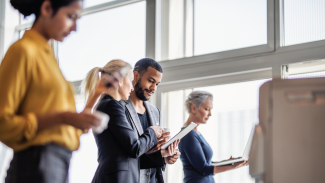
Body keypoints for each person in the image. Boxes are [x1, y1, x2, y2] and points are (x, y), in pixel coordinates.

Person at [0, 0, 118, 182]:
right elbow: (3, 124)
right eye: (71, 17)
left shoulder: (49, 60)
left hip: (56, 163)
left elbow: (65, 129)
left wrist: (96, 94)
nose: (75, 28)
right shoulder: (23, 51)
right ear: (47, 8)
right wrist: (62, 117)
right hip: (35, 164)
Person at [82, 60, 164, 183]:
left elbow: (128, 158)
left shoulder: (110, 105)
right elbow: (134, 148)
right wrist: (152, 132)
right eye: (130, 81)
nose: (132, 88)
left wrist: (163, 154)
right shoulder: (111, 106)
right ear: (120, 81)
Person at [122, 58, 181, 183]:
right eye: (150, 81)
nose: (153, 88)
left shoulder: (155, 111)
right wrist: (160, 155)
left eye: (157, 84)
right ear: (136, 76)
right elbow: (126, 155)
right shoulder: (119, 108)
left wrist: (165, 156)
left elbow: (152, 150)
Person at [178, 91, 248, 183]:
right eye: (206, 109)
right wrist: (234, 166)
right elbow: (204, 169)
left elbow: (207, 163)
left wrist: (228, 162)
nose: (210, 114)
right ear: (194, 108)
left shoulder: (195, 133)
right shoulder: (188, 134)